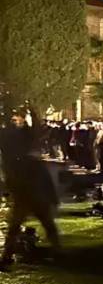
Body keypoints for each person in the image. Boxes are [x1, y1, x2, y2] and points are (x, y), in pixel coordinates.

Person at [0, 112, 60, 268]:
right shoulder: (33, 163)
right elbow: (47, 182)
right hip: (34, 199)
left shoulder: (20, 165)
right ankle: (57, 252)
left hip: (26, 199)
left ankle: (7, 256)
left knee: (16, 228)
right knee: (48, 226)